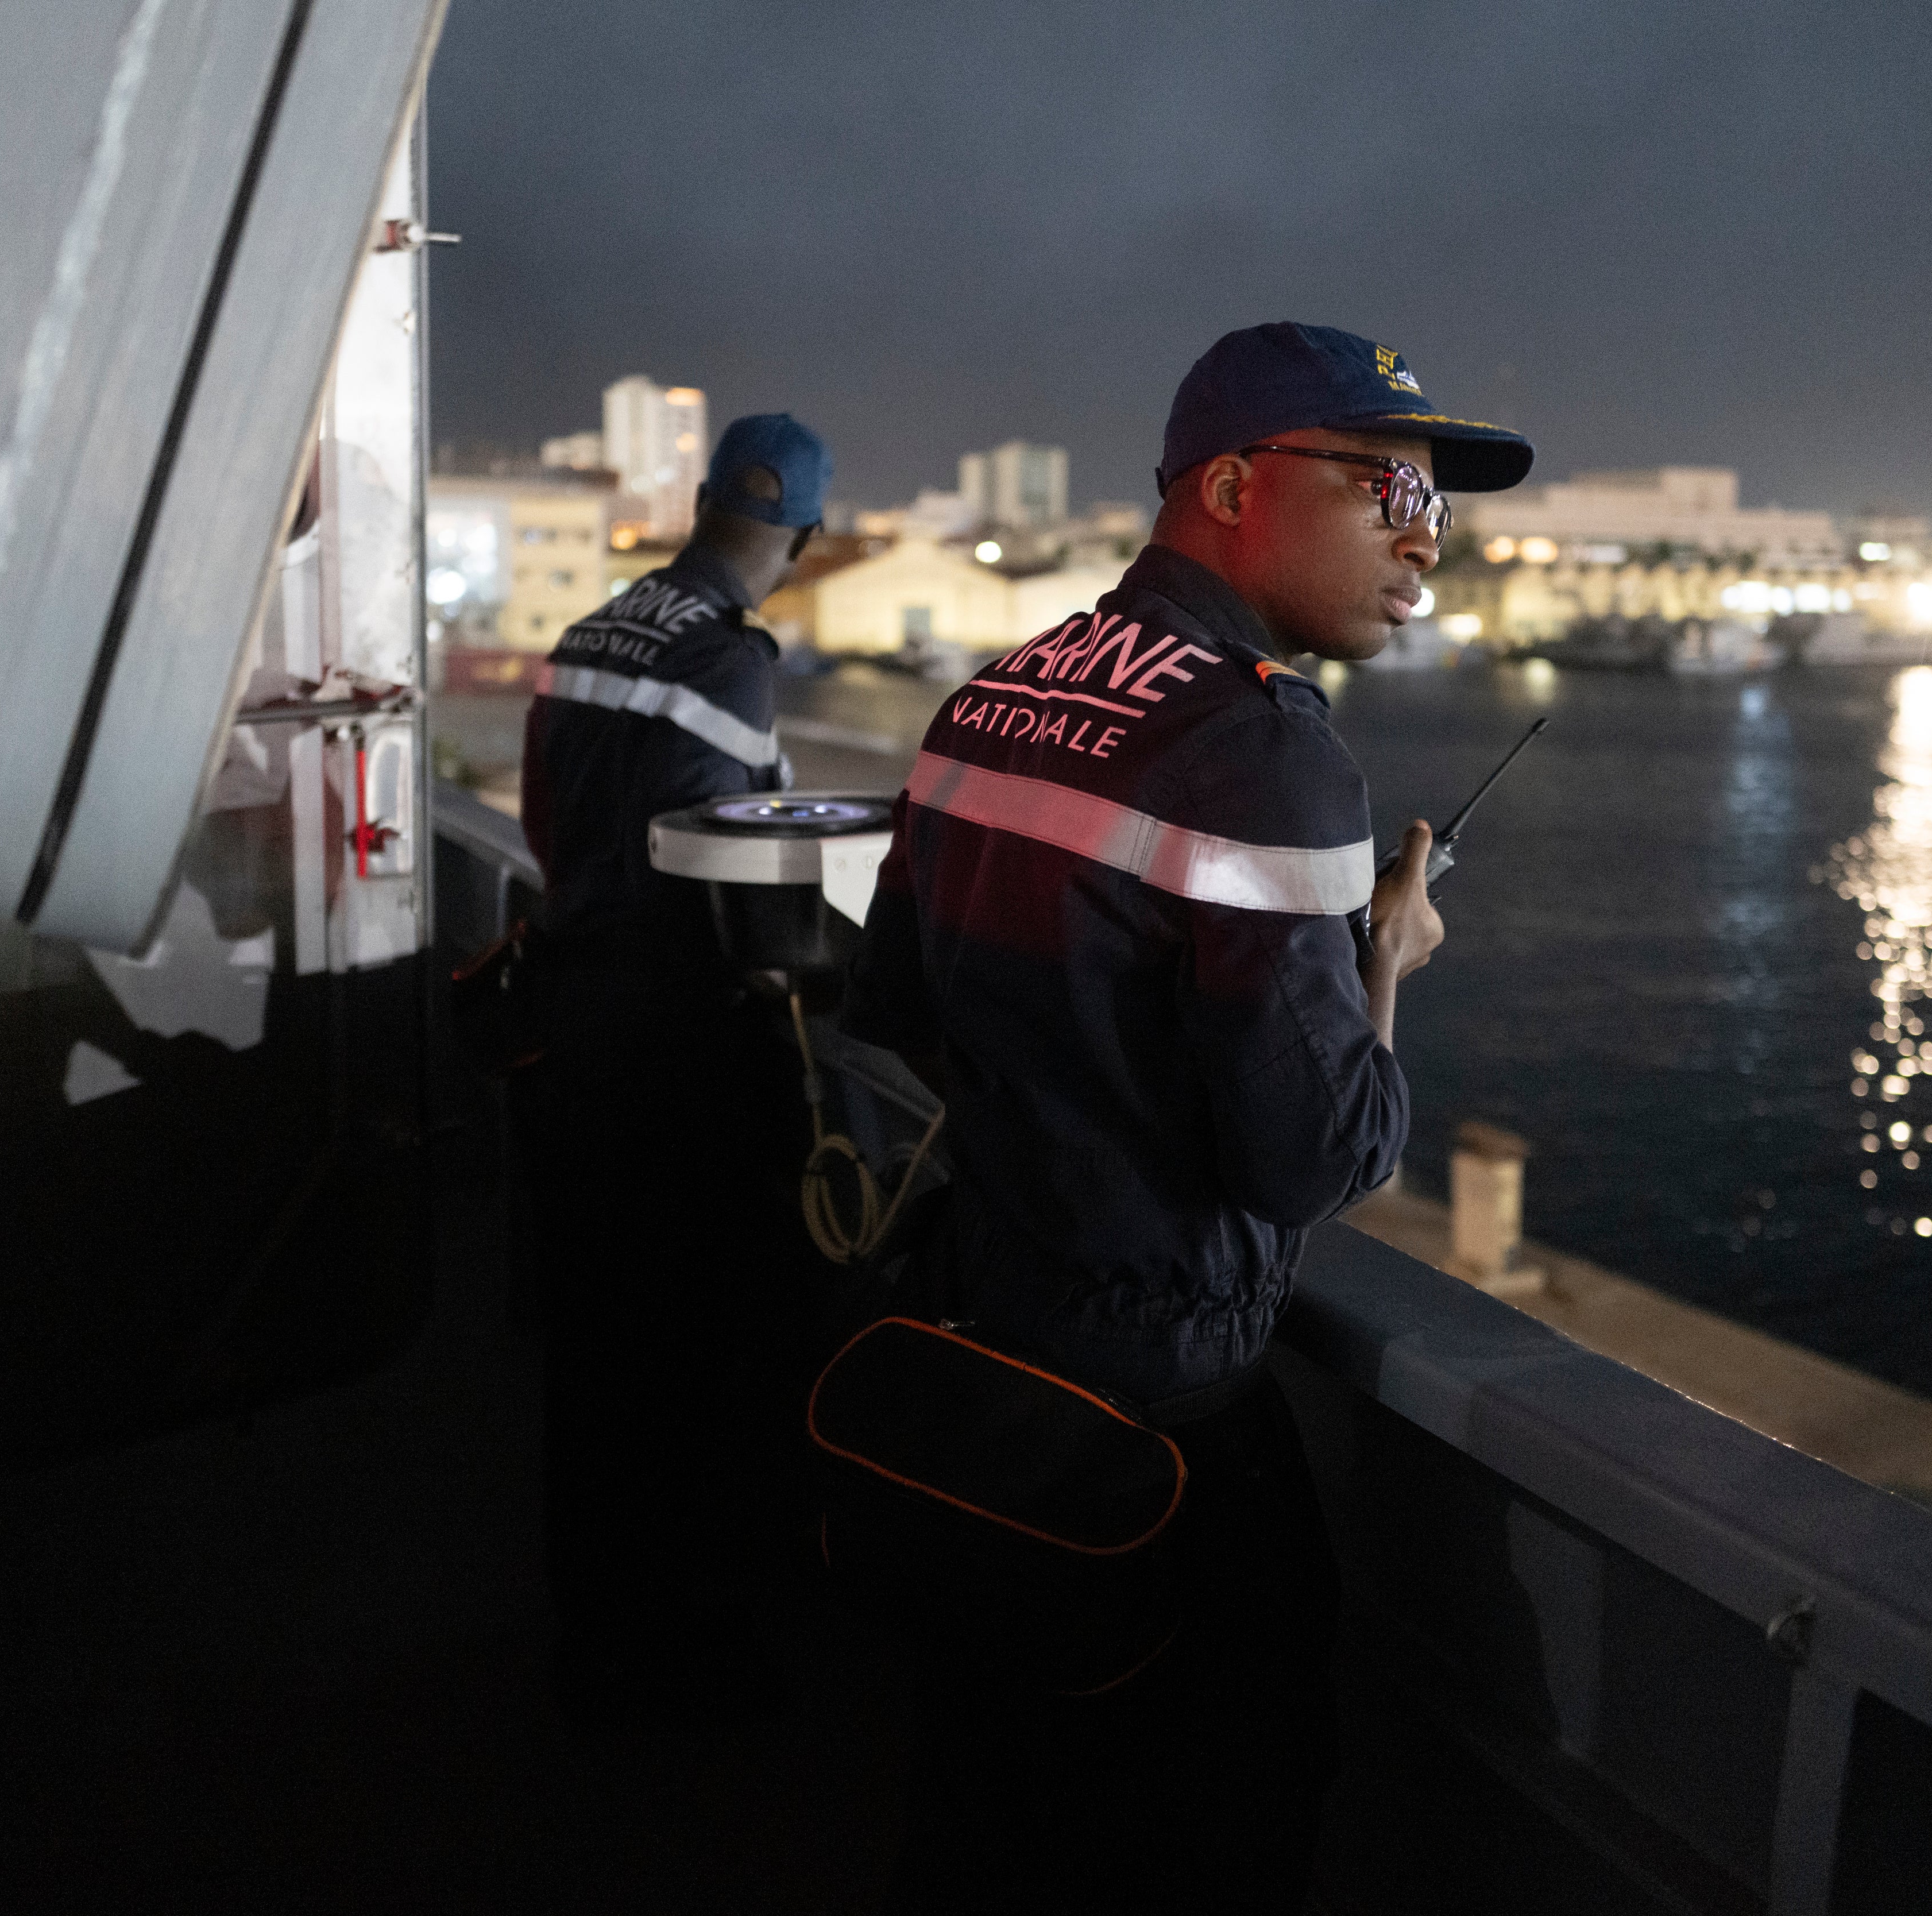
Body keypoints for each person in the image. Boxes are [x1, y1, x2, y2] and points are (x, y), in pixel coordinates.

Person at [840, 323, 1532, 1909]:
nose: (1426, 540)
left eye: (1443, 508)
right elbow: (1320, 1156)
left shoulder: (993, 699)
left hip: (974, 1364)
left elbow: (892, 1004)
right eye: (1387, 490)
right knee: (1210, 1825)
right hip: (1157, 1428)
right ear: (1230, 484)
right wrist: (1389, 964)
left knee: (986, 1807)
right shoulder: (1265, 753)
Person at [517, 412, 832, 1724]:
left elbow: (549, 817)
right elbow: (728, 867)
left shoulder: (597, 629)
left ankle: (590, 1638)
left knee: (594, 1353)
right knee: (702, 1367)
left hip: (567, 1022)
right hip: (673, 1055)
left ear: (701, 503)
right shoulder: (727, 662)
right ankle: (692, 1684)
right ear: (805, 542)